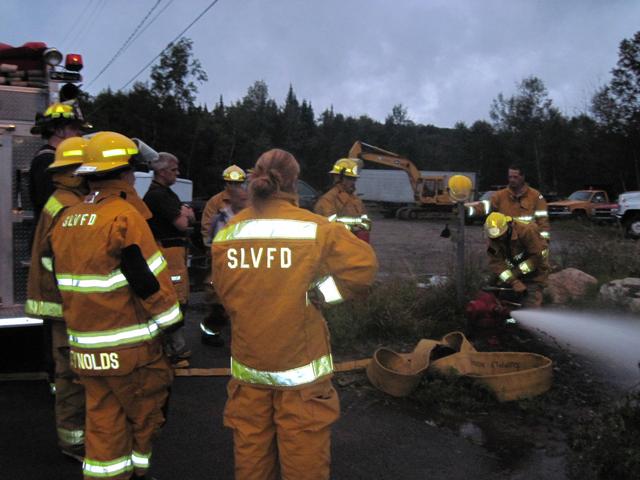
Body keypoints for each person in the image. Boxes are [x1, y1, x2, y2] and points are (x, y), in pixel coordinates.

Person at [212, 149, 378, 480]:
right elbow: (365, 268)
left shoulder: (229, 232)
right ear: (293, 182)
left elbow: (222, 288)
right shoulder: (314, 228)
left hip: (249, 366)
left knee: (251, 450)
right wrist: (324, 294)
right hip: (300, 369)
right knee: (303, 451)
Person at [50, 131, 180, 480]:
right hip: (129, 351)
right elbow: (148, 281)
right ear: (125, 173)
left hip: (86, 350)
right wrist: (172, 327)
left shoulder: (68, 218)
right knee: (145, 416)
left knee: (104, 424)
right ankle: (137, 473)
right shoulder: (124, 216)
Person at [25, 136, 89, 462]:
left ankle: (75, 436)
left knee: (70, 374)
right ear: (78, 169)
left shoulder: (60, 198)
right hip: (66, 305)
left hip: (60, 302)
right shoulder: (69, 206)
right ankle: (73, 442)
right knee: (72, 376)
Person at [143, 152, 194, 368]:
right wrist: (184, 212)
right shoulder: (159, 196)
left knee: (176, 298)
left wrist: (185, 213)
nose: (177, 173)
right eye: (174, 170)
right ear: (162, 171)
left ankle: (171, 347)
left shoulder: (164, 193)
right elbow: (183, 223)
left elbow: (188, 216)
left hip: (172, 252)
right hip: (168, 253)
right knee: (174, 299)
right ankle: (174, 350)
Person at [200, 183, 248, 346]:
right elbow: (211, 239)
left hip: (244, 268)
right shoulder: (220, 218)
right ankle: (210, 333)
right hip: (223, 267)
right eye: (241, 198)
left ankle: (241, 335)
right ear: (232, 199)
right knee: (216, 304)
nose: (245, 201)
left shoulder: (251, 218)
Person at [29, 102, 88, 224]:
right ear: (56, 130)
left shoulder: (59, 158)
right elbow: (48, 201)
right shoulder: (46, 159)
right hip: (52, 231)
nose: (79, 133)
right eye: (73, 128)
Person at [484, 212, 549, 308]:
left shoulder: (527, 230)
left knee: (530, 304)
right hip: (513, 270)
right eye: (495, 238)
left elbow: (537, 257)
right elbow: (496, 263)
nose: (498, 240)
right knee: (493, 293)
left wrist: (515, 275)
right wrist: (513, 281)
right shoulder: (494, 237)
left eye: (500, 236)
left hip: (535, 270)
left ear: (507, 227)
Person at [314, 158, 372, 242]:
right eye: (349, 178)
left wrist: (358, 226)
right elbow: (330, 224)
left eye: (354, 179)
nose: (353, 182)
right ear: (338, 178)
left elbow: (367, 223)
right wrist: (357, 226)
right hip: (338, 246)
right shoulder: (327, 200)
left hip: (357, 246)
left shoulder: (355, 199)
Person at [489, 166, 550, 241]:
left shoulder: (536, 196)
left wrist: (544, 242)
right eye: (510, 177)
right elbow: (488, 210)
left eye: (515, 177)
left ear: (523, 177)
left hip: (528, 241)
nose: (512, 180)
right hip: (506, 241)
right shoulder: (499, 196)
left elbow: (543, 221)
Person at [200, 164, 247, 246]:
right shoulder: (215, 201)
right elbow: (207, 227)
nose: (234, 186)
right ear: (225, 183)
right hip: (222, 246)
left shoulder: (248, 200)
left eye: (238, 183)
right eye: (231, 183)